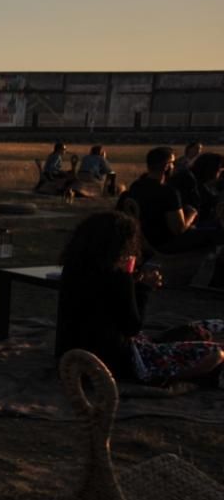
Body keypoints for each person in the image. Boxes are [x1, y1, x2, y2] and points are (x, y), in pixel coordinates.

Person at [55, 211, 224, 387]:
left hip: (70, 356)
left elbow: (102, 305)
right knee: (216, 353)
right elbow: (132, 327)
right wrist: (144, 288)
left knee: (196, 330)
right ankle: (169, 378)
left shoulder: (73, 269)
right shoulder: (119, 277)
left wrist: (132, 284)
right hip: (115, 362)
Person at [121, 146, 224, 255]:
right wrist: (191, 213)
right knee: (218, 234)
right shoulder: (169, 192)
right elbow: (179, 230)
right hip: (163, 245)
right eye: (173, 163)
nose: (174, 167)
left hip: (141, 242)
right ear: (166, 166)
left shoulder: (135, 186)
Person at [170, 152, 224, 229]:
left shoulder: (194, 179)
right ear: (213, 169)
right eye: (220, 170)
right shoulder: (189, 180)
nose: (220, 173)